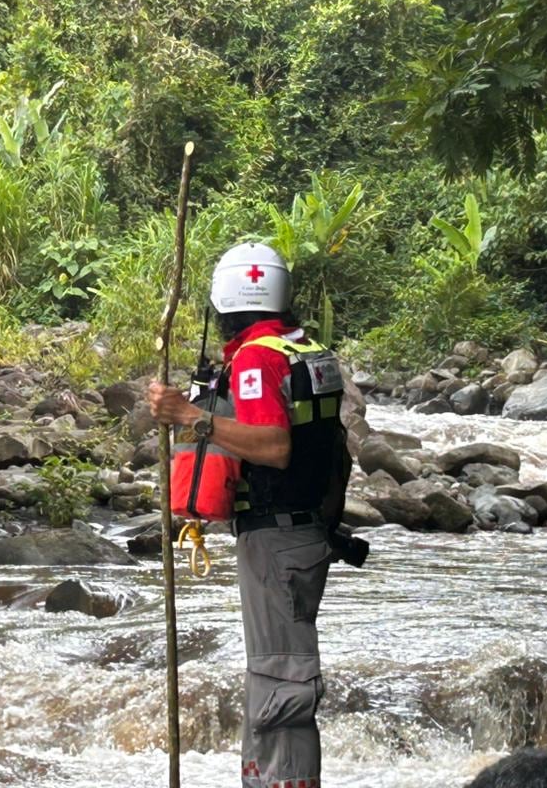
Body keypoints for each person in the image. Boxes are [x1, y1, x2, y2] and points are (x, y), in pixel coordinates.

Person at [149, 241, 346, 788]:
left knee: (280, 678)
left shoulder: (258, 357)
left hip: (277, 538)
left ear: (227, 301)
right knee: (277, 673)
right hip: (305, 532)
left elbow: (274, 446)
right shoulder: (303, 348)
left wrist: (193, 417)